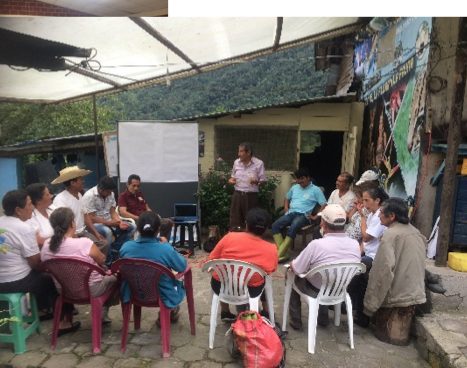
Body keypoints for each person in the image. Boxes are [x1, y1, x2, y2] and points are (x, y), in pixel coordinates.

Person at [0, 190, 79, 336]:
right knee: (56, 280)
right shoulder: (23, 228)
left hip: (2, 279)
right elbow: (35, 262)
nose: (32, 208)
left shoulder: (1, 222)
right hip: (14, 280)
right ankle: (63, 323)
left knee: (41, 275)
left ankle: (42, 311)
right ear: (18, 210)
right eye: (29, 205)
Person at [287, 204, 361, 329]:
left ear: (323, 224)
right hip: (340, 289)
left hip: (316, 290)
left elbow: (296, 268)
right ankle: (323, 317)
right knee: (326, 277)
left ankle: (296, 320)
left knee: (290, 274)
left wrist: (292, 265)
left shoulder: (316, 245)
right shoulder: (355, 244)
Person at [41, 207, 119, 324]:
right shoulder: (84, 243)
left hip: (64, 289)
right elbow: (102, 259)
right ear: (72, 223)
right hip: (92, 289)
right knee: (118, 277)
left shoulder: (46, 245)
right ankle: (104, 308)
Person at [208, 208, 278, 322]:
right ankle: (264, 313)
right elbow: (271, 269)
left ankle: (225, 311)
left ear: (246, 225)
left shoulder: (229, 237)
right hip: (250, 291)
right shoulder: (271, 249)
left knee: (222, 273)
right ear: (266, 229)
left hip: (221, 288)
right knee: (264, 278)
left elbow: (212, 258)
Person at [119, 211, 187, 325]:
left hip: (134, 292)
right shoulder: (165, 249)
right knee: (178, 282)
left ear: (138, 230)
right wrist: (168, 246)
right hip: (162, 294)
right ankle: (169, 311)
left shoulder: (126, 247)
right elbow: (182, 266)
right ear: (159, 229)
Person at [363, 198, 426, 320]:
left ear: (392, 216)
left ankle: (363, 319)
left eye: (381, 212)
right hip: (416, 292)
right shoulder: (416, 231)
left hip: (397, 296)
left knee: (363, 276)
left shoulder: (390, 235)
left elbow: (382, 272)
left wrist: (369, 306)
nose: (379, 215)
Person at [350, 185, 389, 327]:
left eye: (367, 200)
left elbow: (365, 237)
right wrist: (355, 254)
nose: (364, 204)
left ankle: (344, 302)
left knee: (353, 271)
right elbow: (363, 243)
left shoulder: (379, 214)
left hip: (374, 258)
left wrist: (362, 216)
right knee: (355, 272)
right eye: (363, 200)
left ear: (377, 200)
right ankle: (354, 309)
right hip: (367, 253)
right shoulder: (373, 213)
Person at [272, 167, 327, 262]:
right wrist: (286, 207)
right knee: (275, 225)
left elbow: (324, 204)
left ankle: (279, 253)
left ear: (308, 178)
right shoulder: (294, 188)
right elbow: (287, 198)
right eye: (298, 179)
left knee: (294, 225)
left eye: (302, 178)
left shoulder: (316, 190)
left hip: (304, 215)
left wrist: (316, 216)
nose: (300, 181)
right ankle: (282, 254)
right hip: (291, 213)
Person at [52, 166, 108, 256]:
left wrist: (95, 232)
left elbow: (85, 215)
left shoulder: (79, 195)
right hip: (70, 236)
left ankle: (96, 265)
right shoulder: (61, 199)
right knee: (88, 250)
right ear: (73, 183)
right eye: (80, 179)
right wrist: (74, 237)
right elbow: (62, 224)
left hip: (83, 232)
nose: (83, 181)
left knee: (103, 244)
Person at [82, 176, 136, 265]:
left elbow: (112, 211)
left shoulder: (110, 193)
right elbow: (91, 218)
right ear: (100, 189)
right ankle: (108, 261)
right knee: (107, 232)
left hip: (110, 221)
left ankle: (114, 249)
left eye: (111, 191)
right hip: (95, 224)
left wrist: (119, 222)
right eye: (108, 191)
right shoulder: (89, 196)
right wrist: (109, 223)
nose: (110, 193)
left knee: (132, 227)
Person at [117, 174, 173, 240]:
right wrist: (139, 218)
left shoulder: (140, 194)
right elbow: (123, 213)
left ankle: (162, 244)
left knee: (167, 222)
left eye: (138, 186)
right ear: (127, 184)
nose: (136, 188)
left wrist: (154, 216)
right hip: (136, 220)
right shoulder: (123, 196)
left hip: (147, 219)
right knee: (149, 225)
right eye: (134, 186)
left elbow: (147, 208)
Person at [228, 142, 266, 231]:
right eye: (238, 151)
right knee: (235, 220)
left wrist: (257, 181)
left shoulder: (259, 163)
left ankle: (249, 241)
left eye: (241, 151)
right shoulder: (236, 162)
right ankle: (235, 241)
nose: (239, 154)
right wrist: (231, 180)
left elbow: (264, 181)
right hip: (237, 194)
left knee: (251, 220)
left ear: (248, 152)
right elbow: (233, 176)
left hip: (251, 196)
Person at [26, 183, 56, 248]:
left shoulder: (53, 209)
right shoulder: (31, 216)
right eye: (47, 195)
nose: (51, 196)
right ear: (38, 200)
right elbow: (39, 241)